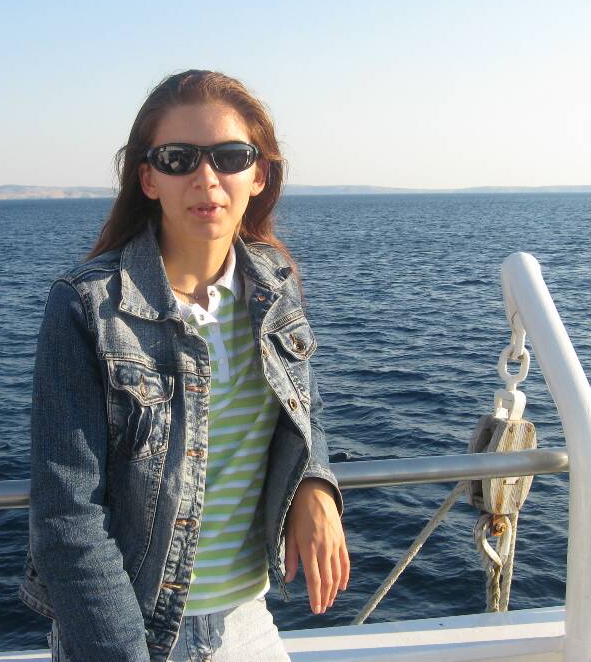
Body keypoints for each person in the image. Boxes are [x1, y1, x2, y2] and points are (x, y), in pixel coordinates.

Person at [20, 69, 348, 661]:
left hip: (249, 621)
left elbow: (305, 405)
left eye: (230, 157)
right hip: (134, 636)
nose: (206, 178)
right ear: (148, 177)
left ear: (259, 174)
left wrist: (315, 484)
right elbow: (67, 516)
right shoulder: (88, 306)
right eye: (178, 159)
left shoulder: (273, 286)